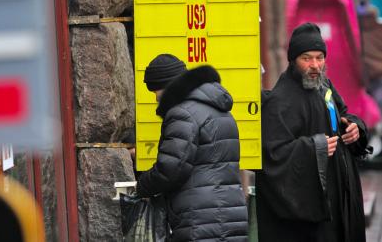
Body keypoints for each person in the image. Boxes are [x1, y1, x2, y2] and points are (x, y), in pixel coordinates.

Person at [255, 23, 372, 242]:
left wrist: (356, 127)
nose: (315, 65)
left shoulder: (324, 85)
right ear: (293, 61)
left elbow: (343, 113)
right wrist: (314, 148)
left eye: (320, 57)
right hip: (310, 216)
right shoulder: (282, 100)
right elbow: (272, 155)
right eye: (307, 58)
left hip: (338, 201)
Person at [136, 54, 248, 242]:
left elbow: (171, 169)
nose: (156, 98)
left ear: (166, 87)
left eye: (155, 91)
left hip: (199, 219)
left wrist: (142, 185)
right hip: (231, 214)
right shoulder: (221, 109)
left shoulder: (181, 113)